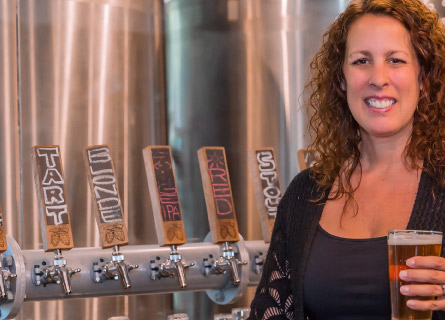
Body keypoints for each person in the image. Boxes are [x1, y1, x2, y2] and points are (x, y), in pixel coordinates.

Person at [248, 0, 445, 319]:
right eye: (361, 61)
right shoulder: (306, 193)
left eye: (395, 60)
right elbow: (270, 310)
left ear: (423, 78)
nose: (378, 78)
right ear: (340, 79)